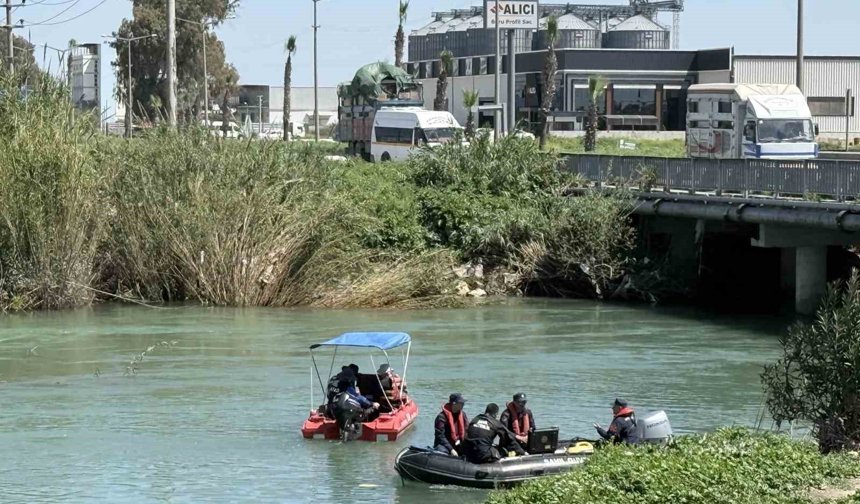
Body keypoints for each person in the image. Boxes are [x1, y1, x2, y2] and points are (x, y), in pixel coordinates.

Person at [461, 403, 526, 464]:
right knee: (503, 451)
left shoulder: (475, 419)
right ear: (495, 414)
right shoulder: (495, 423)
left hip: (468, 452)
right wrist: (522, 452)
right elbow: (509, 439)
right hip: (482, 455)